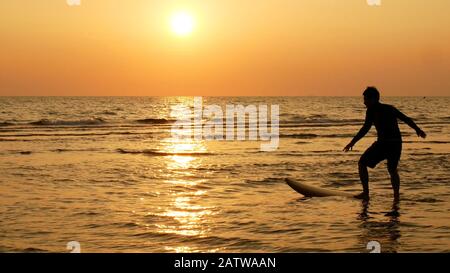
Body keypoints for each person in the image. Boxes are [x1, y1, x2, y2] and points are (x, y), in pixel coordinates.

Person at [344, 87, 427, 201]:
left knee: (363, 163)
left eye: (366, 99)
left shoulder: (379, 110)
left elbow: (404, 119)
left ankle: (367, 193)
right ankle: (395, 197)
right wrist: (418, 130)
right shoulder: (382, 109)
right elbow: (405, 119)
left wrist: (417, 129)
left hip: (386, 144)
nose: (364, 102)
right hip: (394, 143)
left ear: (373, 99)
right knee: (392, 170)